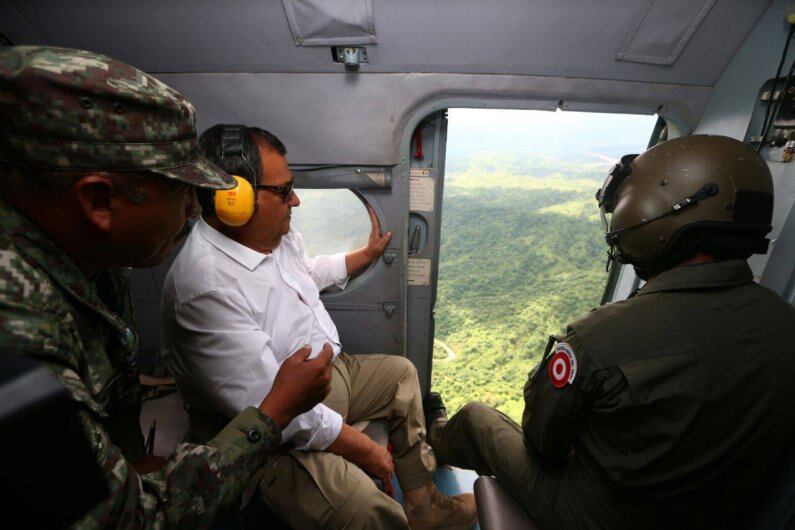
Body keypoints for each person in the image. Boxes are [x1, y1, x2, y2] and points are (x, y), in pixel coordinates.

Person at [0, 46, 333, 529]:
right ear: (99, 201)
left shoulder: (95, 262)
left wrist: (133, 462)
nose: (196, 212)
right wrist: (275, 410)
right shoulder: (17, 332)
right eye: (180, 190)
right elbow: (128, 520)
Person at [424, 135, 795, 529]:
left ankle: (435, 434)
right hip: (714, 512)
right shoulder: (784, 320)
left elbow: (541, 440)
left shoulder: (601, 336)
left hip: (598, 516)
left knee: (479, 419)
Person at [161, 124, 478, 529]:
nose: (294, 200)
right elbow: (279, 410)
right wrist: (365, 449)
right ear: (233, 200)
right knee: (369, 511)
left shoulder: (274, 235)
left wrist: (364, 256)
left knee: (402, 375)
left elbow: (306, 273)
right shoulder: (204, 286)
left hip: (322, 380)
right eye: (283, 190)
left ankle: (424, 506)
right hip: (268, 435)